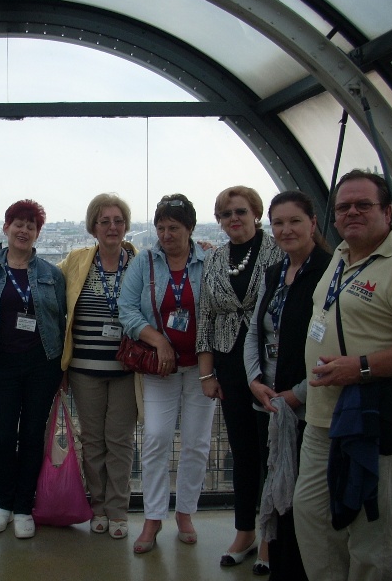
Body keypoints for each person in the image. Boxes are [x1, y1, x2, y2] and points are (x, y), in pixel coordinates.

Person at [293, 170, 392, 581]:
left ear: (388, 212)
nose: (352, 213)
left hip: (372, 419)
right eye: (344, 206)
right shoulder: (340, 258)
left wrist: (361, 367)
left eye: (364, 205)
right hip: (323, 419)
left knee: (368, 532)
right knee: (311, 517)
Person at [243, 190, 332, 579]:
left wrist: (298, 394)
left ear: (313, 223)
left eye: (294, 221)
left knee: (303, 500)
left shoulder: (330, 273)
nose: (285, 230)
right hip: (271, 401)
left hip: (306, 406)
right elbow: (254, 331)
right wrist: (254, 380)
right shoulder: (275, 273)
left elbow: (334, 345)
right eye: (278, 223)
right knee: (276, 487)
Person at [118, 194, 213, 554]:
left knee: (196, 442)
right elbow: (127, 309)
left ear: (190, 228)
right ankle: (154, 515)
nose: (166, 235)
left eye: (173, 227)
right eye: (160, 227)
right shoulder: (144, 263)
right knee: (156, 437)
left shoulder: (209, 260)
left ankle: (185, 511)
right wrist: (158, 341)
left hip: (201, 367)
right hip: (161, 368)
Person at [196, 186, 282, 571]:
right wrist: (206, 373)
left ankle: (271, 536)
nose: (234, 219)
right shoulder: (216, 259)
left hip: (270, 363)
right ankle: (245, 531)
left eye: (241, 212)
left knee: (273, 452)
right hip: (230, 363)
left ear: (256, 214)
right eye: (226, 214)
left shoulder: (278, 250)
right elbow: (206, 317)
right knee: (244, 452)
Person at [0, 199, 66, 540]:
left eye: (31, 225)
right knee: (1, 437)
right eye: (19, 223)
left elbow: (61, 318)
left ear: (38, 233)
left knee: (31, 436)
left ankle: (23, 507)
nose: (24, 230)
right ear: (6, 227)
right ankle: (4, 502)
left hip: (42, 364)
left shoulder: (51, 274)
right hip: (1, 363)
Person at [58, 193, 137, 540]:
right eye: (104, 221)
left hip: (127, 369)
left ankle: (118, 509)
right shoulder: (76, 261)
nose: (112, 227)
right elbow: (46, 284)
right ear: (93, 227)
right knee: (92, 441)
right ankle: (99, 506)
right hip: (84, 368)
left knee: (119, 441)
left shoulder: (140, 262)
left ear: (126, 225)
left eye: (118, 221)